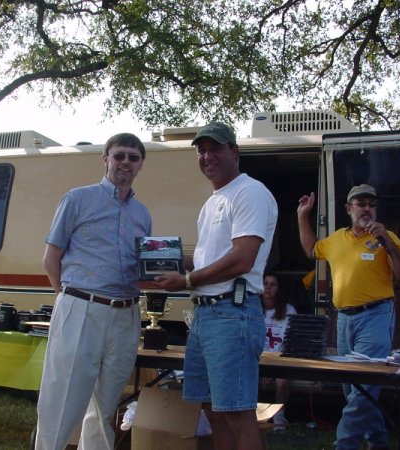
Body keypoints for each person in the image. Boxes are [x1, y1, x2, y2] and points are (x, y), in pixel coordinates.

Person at [153, 122, 278, 450]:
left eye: (215, 148)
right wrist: (164, 260)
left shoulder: (249, 192)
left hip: (232, 312)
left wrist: (187, 280)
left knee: (238, 413)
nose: (207, 156)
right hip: (205, 316)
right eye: (201, 150)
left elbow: (242, 259)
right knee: (214, 411)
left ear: (234, 152)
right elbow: (208, 257)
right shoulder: (212, 202)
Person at [35, 133, 152, 450]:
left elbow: (143, 265)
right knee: (62, 400)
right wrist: (68, 299)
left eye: (133, 157)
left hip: (126, 314)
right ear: (105, 159)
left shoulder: (143, 214)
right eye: (119, 155)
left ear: (141, 164)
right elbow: (51, 258)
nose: (125, 162)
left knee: (106, 406)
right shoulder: (77, 199)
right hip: (81, 308)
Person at [297, 184, 400, 450]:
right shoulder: (337, 238)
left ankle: (345, 445)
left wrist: (387, 243)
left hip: (375, 317)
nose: (367, 209)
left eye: (371, 204)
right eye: (361, 204)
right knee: (355, 389)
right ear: (349, 209)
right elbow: (311, 250)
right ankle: (378, 442)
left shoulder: (387, 238)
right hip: (344, 320)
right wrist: (302, 215)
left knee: (363, 388)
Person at [260, 272, 296, 430]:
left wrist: (274, 367)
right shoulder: (253, 309)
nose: (268, 288)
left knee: (282, 381)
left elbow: (292, 341)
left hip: (281, 360)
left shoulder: (289, 310)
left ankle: (279, 417)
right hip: (258, 360)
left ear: (279, 288)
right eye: (265, 283)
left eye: (272, 284)